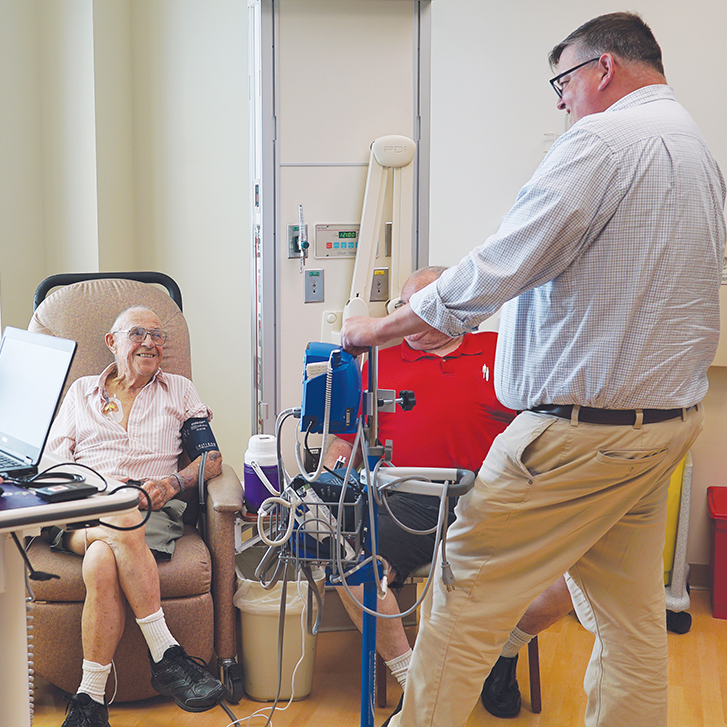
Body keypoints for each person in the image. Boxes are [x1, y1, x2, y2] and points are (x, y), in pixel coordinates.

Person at [341, 13, 725, 727]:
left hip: (577, 436)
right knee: (630, 620)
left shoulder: (602, 141)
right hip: (659, 431)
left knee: (463, 597)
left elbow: (501, 261)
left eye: (563, 82)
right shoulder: (695, 150)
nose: (561, 101)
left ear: (603, 68)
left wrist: (380, 327)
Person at [326, 266, 573, 718]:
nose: (406, 317)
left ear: (454, 310)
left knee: (576, 571)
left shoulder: (501, 351)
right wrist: (326, 482)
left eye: (418, 308)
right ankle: (414, 680)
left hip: (491, 496)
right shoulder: (379, 362)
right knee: (349, 565)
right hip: (407, 499)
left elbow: (546, 426)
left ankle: (504, 652)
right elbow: (346, 440)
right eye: (402, 307)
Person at [46, 306, 228, 727]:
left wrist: (171, 484)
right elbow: (53, 462)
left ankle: (89, 701)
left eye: (157, 335)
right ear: (112, 343)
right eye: (138, 334)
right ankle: (166, 654)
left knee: (102, 558)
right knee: (121, 516)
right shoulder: (81, 392)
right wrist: (101, 489)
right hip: (85, 507)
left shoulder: (178, 390)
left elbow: (212, 459)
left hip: (151, 509)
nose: (150, 342)